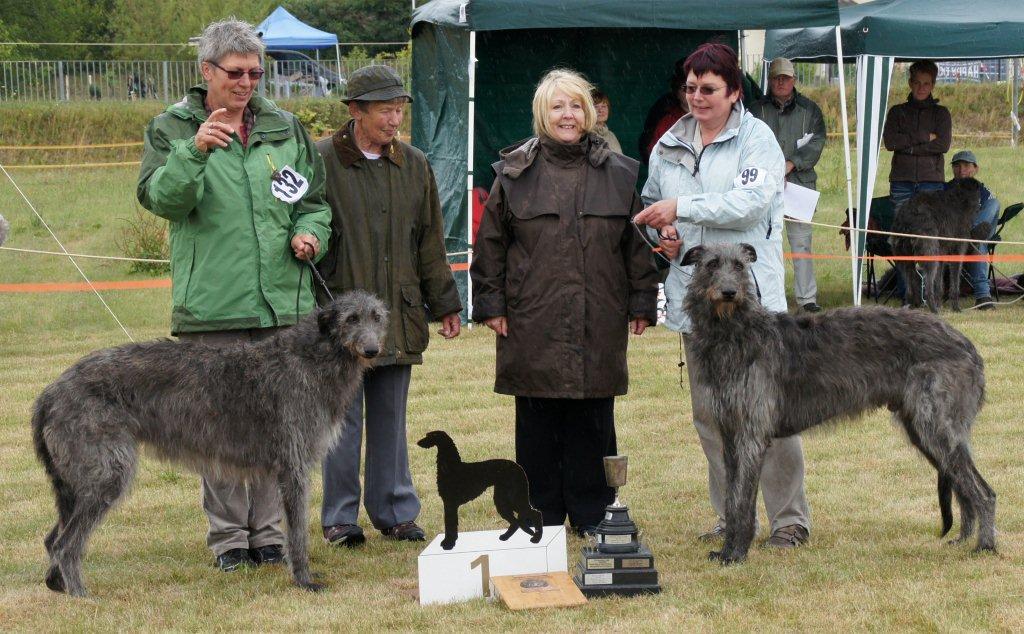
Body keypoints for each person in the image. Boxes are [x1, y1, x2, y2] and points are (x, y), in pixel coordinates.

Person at [137, 18, 331, 572]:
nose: (247, 83)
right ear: (207, 71)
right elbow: (164, 200)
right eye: (236, 73)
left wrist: (312, 232)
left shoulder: (284, 127)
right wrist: (194, 151)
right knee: (220, 424)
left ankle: (270, 535)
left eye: (256, 73)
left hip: (284, 305)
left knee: (283, 426)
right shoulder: (172, 128)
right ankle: (228, 540)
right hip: (215, 306)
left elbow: (312, 200)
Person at [634, 42, 811, 548]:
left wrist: (682, 209)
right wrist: (662, 237)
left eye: (708, 89)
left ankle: (789, 519)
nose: (697, 97)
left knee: (768, 414)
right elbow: (651, 206)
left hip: (755, 308)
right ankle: (731, 516)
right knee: (710, 416)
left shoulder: (758, 141)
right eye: (690, 88)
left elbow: (749, 205)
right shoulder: (668, 144)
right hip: (698, 307)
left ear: (734, 92)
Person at [471, 69, 659, 535]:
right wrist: (491, 304)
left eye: (576, 106)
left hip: (599, 314)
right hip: (532, 317)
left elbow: (633, 245)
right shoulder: (513, 174)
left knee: (592, 420)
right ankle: (543, 513)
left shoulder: (619, 174)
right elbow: (490, 244)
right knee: (537, 422)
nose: (568, 115)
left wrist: (641, 302)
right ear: (542, 114)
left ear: (590, 112)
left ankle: (595, 511)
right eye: (558, 107)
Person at [316, 65, 463, 547]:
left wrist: (445, 303)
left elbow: (429, 241)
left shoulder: (415, 165)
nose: (394, 118)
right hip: (339, 319)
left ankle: (396, 512)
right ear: (355, 110)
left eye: (399, 108)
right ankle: (339, 518)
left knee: (391, 420)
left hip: (397, 315)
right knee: (340, 420)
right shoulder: (321, 161)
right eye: (384, 109)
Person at [750, 57, 827, 313]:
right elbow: (748, 144)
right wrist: (771, 169)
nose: (781, 82)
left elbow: (817, 143)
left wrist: (791, 163)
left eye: (785, 77)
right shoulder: (755, 110)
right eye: (776, 78)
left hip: (799, 187)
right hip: (763, 186)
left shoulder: (811, 110)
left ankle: (807, 300)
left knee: (801, 242)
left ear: (794, 79)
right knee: (762, 243)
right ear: (769, 80)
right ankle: (764, 298)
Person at [883, 60, 953, 302]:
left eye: (927, 83)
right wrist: (924, 138)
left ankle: (932, 294)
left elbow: (942, 145)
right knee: (903, 240)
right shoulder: (897, 112)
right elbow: (891, 142)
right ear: (910, 83)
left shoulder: (941, 114)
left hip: (931, 183)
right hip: (902, 182)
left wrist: (909, 147)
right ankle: (908, 294)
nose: (922, 87)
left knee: (930, 240)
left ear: (933, 85)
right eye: (918, 82)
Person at [946, 150, 1000, 310]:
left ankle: (971, 235)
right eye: (957, 165)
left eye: (966, 165)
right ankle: (983, 297)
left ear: (976, 168)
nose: (962, 169)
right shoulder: (945, 189)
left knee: (994, 203)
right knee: (978, 243)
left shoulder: (983, 191)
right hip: (952, 236)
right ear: (953, 169)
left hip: (976, 233)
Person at [638, 58, 689, 164]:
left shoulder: (716, 115)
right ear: (676, 90)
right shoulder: (665, 115)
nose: (693, 93)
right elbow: (652, 154)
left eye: (703, 88)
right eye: (685, 88)